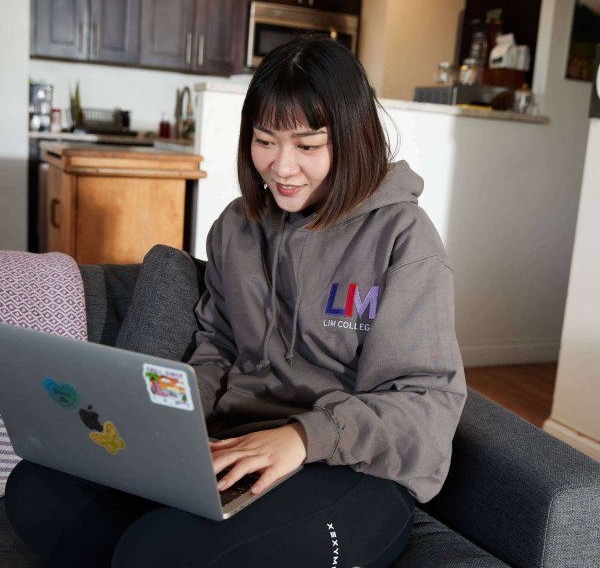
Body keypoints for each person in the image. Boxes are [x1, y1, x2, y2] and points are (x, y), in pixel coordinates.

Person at [6, 35, 466, 567]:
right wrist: (167, 425)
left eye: (308, 145)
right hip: (234, 449)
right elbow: (217, 347)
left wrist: (301, 436)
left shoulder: (405, 239)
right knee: (37, 491)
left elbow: (426, 402)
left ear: (353, 137)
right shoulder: (236, 227)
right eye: (265, 140)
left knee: (156, 552)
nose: (281, 167)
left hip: (351, 469)